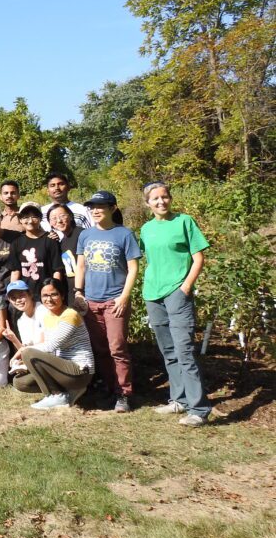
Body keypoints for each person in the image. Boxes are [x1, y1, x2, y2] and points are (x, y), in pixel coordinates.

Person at [139, 181, 212, 426]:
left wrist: (186, 286)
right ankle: (178, 400)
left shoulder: (184, 221)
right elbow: (149, 259)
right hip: (153, 294)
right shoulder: (146, 229)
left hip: (177, 292)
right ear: (147, 203)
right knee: (168, 351)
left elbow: (198, 257)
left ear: (170, 198)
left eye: (165, 197)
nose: (161, 202)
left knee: (184, 350)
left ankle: (199, 409)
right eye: (155, 199)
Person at [75, 190, 141, 413]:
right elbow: (81, 266)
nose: (95, 210)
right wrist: (78, 292)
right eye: (92, 207)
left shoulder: (124, 234)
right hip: (91, 301)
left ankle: (124, 393)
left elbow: (133, 268)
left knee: (117, 347)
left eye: (100, 206)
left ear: (112, 208)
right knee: (100, 349)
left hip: (115, 300)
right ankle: (108, 388)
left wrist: (124, 296)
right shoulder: (86, 236)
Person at [14, 278, 95, 409]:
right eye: (45, 295)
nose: (49, 299)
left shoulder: (70, 315)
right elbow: (49, 351)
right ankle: (68, 392)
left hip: (79, 371)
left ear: (62, 295)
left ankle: (56, 396)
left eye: (54, 294)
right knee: (20, 382)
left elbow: (50, 346)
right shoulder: (48, 317)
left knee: (29, 352)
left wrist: (24, 353)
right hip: (62, 369)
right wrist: (25, 365)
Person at [9, 202, 64, 286]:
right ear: (20, 220)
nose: (30, 221)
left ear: (40, 218)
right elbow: (16, 271)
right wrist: (12, 291)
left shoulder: (50, 240)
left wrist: (55, 290)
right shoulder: (16, 243)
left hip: (47, 293)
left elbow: (57, 270)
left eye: (34, 217)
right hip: (25, 294)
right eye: (26, 217)